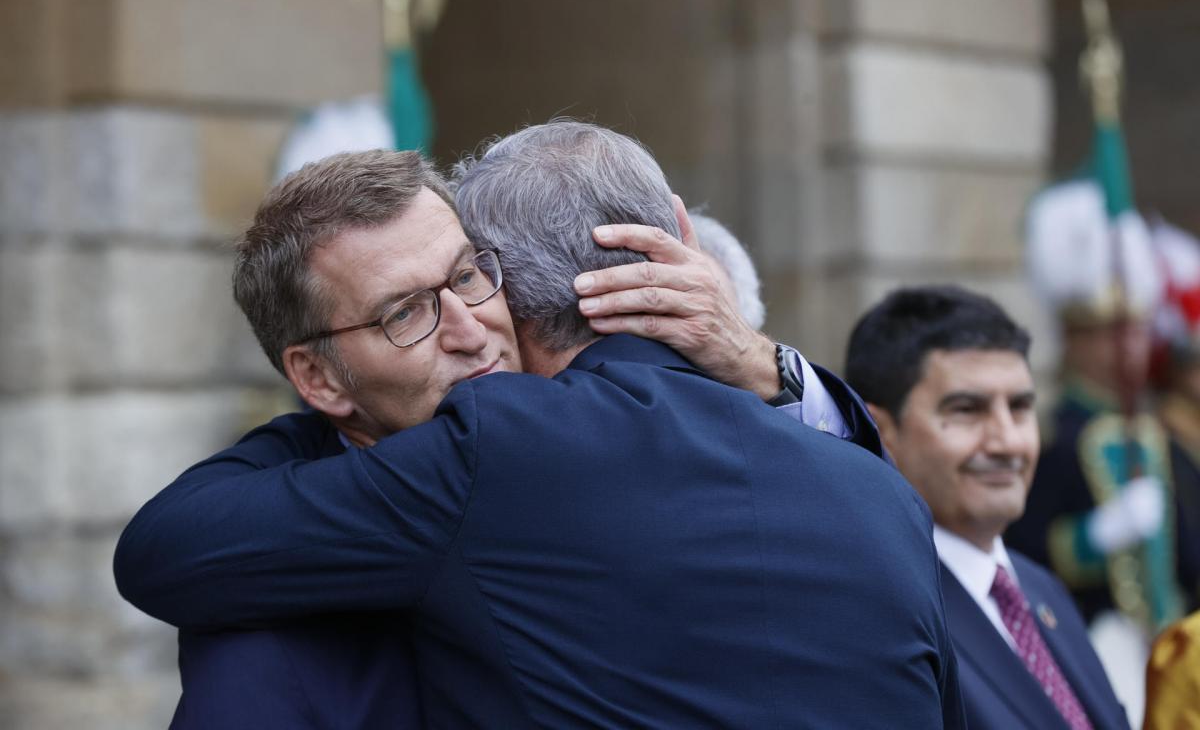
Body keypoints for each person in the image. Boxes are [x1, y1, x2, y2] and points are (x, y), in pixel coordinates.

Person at [116, 121, 962, 728]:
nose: (468, 325)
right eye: (405, 313)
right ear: (313, 375)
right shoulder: (883, 493)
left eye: (473, 275)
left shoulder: (501, 451)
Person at [845, 285, 1129, 730]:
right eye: (966, 410)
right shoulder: (877, 610)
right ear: (879, 429)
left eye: (1020, 408)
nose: (1007, 441)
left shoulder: (1041, 589)